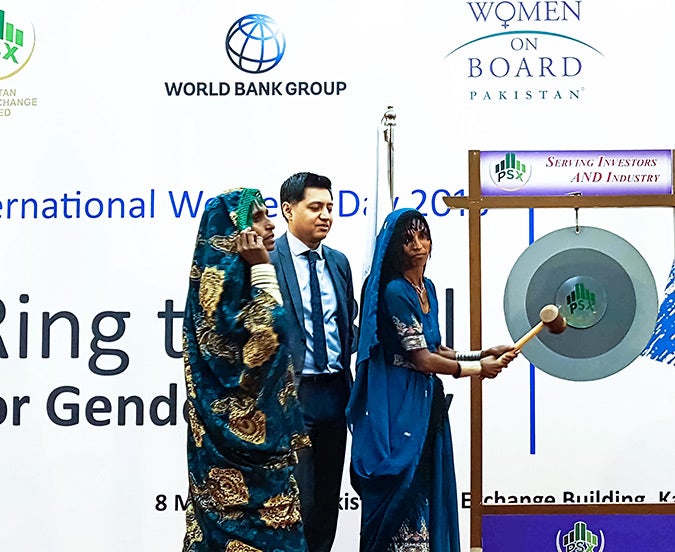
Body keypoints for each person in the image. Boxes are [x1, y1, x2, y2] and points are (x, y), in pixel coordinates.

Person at [346, 208, 516, 552]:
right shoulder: (396, 291)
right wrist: (477, 370)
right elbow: (421, 360)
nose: (418, 245)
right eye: (407, 240)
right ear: (394, 248)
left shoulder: (428, 287)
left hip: (425, 402)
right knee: (402, 494)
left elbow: (435, 348)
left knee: (425, 487)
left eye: (423, 236)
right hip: (398, 406)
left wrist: (480, 354)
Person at [181, 188, 310, 552]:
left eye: (267, 215)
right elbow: (270, 333)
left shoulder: (240, 284)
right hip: (235, 449)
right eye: (256, 219)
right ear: (229, 232)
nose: (270, 225)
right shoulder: (217, 288)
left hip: (263, 454)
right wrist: (262, 267)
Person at [270, 172, 357, 552]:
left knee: (326, 501)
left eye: (330, 207)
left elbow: (345, 324)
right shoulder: (268, 261)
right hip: (293, 397)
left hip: (336, 393)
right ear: (289, 210)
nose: (326, 215)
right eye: (315, 207)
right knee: (298, 501)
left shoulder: (339, 263)